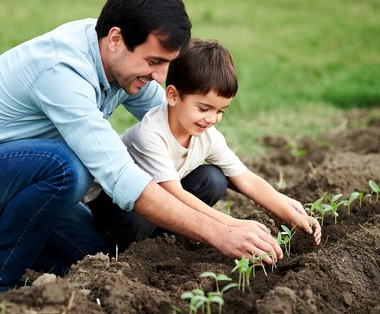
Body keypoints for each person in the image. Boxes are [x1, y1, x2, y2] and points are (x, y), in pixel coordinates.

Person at [0, 0, 283, 293]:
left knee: (96, 254)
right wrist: (221, 232)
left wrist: (279, 202)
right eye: (154, 61)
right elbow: (122, 178)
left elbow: (175, 121)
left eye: (167, 63)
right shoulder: (62, 71)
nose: (159, 77)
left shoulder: (117, 61)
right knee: (69, 166)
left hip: (15, 186)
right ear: (116, 39)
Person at [89, 38, 321, 253]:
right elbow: (174, 195)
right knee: (138, 221)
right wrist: (231, 225)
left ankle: (162, 242)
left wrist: (290, 213)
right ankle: (114, 253)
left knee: (213, 178)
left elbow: (245, 178)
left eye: (220, 111)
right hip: (115, 203)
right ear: (172, 95)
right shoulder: (151, 135)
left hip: (162, 201)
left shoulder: (207, 135)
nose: (212, 119)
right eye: (204, 108)